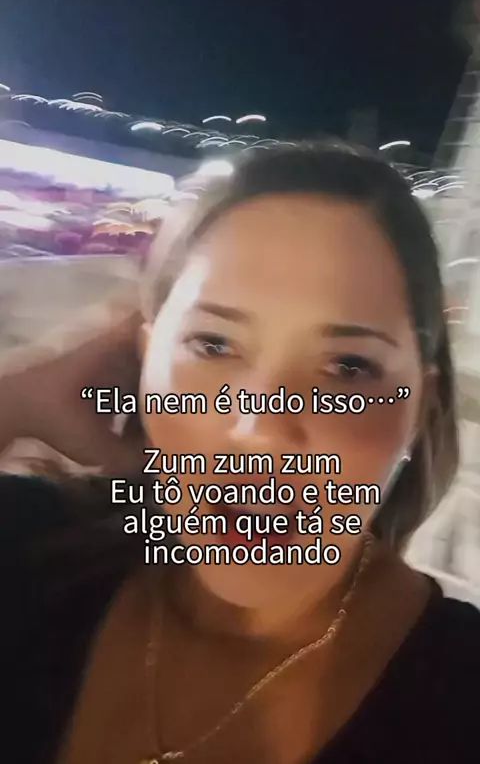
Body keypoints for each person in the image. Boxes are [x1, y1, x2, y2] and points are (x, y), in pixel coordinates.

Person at [1, 142, 478, 764]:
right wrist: (17, 398)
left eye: (348, 366)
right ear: (145, 364)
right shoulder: (31, 546)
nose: (262, 430)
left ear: (421, 408)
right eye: (214, 345)